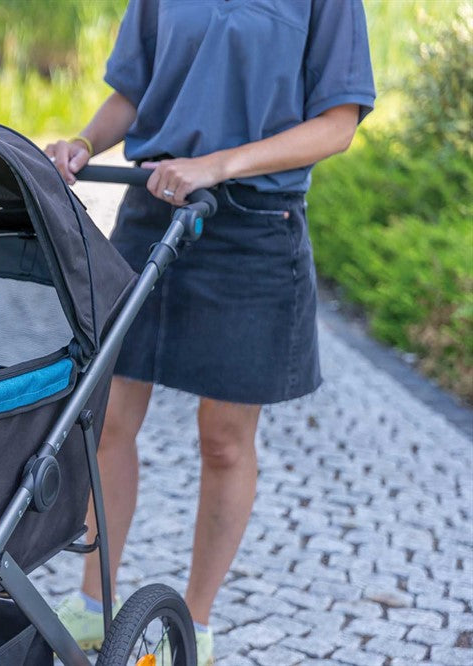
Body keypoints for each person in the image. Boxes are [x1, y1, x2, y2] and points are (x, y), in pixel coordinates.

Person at [44, 1, 375, 663]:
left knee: (223, 442)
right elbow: (135, 91)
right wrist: (84, 142)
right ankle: (89, 604)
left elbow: (337, 126)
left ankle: (193, 625)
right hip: (153, 208)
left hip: (255, 224)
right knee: (106, 422)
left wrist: (218, 164)